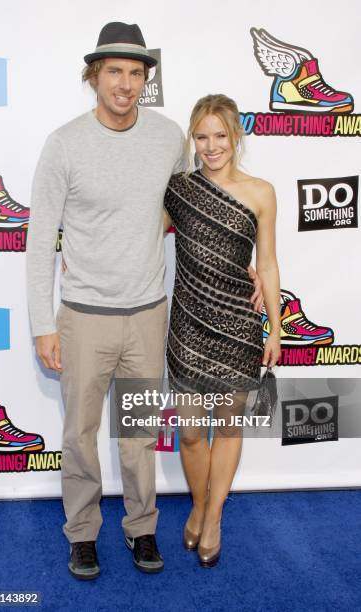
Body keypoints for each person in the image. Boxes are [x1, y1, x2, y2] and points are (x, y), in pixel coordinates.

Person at [26, 22, 263, 579]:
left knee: (136, 435)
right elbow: (40, 241)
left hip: (148, 314)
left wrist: (239, 259)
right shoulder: (63, 144)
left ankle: (142, 529)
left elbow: (197, 206)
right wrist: (44, 323)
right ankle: (82, 535)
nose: (125, 83)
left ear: (145, 79)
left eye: (135, 73)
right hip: (83, 318)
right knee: (80, 436)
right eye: (114, 72)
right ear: (94, 76)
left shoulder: (165, 139)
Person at [163, 94, 281, 568]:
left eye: (220, 136)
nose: (211, 146)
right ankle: (197, 502)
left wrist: (274, 329)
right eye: (202, 136)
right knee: (191, 432)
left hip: (237, 325)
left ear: (236, 137)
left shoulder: (261, 192)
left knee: (228, 426)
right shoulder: (178, 189)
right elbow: (137, 233)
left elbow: (267, 264)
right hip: (187, 322)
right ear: (194, 138)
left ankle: (213, 517)